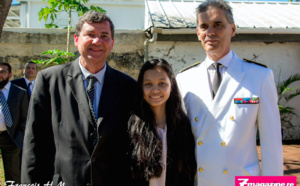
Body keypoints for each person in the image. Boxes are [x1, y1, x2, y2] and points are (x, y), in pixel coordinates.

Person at [21, 12, 136, 185]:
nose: (97, 41)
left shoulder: (128, 86)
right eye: (90, 34)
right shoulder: (49, 80)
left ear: (112, 43)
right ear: (76, 39)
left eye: (104, 36)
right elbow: (34, 142)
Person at [176, 0, 283, 185]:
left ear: (232, 29)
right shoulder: (184, 79)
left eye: (218, 25)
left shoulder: (259, 76)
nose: (211, 32)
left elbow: (271, 145)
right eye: (204, 26)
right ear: (198, 33)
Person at [128, 58, 196, 186]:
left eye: (162, 83)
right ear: (141, 87)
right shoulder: (131, 127)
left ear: (172, 85)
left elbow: (187, 174)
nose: (155, 90)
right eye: (148, 84)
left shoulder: (183, 127)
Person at [0, 62, 28, 183]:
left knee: (13, 173)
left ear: (10, 74)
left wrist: (19, 135)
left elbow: (25, 117)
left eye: (3, 72)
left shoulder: (20, 92)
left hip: (11, 137)